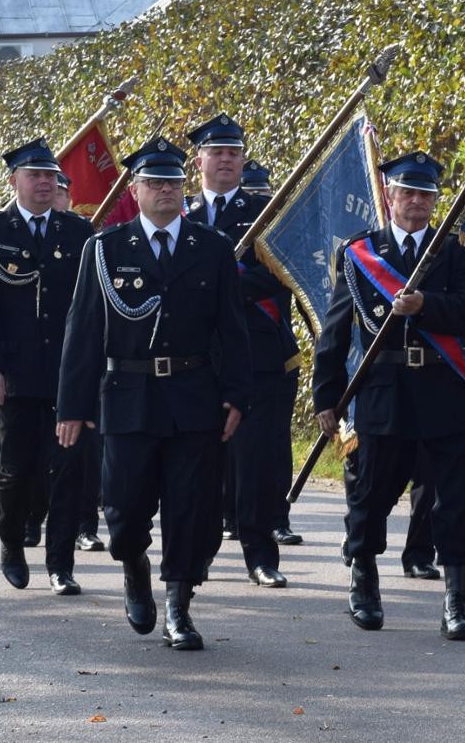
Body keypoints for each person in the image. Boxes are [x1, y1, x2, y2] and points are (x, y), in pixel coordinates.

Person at [56, 137, 250, 650]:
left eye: (174, 183)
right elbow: (83, 331)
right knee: (122, 509)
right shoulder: (105, 249)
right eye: (155, 183)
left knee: (191, 508)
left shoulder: (210, 248)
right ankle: (135, 567)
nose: (166, 191)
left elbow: (232, 330)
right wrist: (72, 405)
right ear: (136, 190)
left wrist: (236, 395)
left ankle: (179, 607)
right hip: (127, 396)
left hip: (193, 398)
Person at [313, 152, 465, 641]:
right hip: (383, 392)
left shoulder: (454, 254)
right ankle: (364, 581)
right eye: (407, 193)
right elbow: (335, 332)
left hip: (444, 392)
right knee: (371, 494)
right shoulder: (360, 254)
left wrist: (426, 306)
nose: (417, 203)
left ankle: (457, 601)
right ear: (389, 197)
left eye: (426, 195)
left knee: (454, 500)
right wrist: (326, 396)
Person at [0, 139, 96, 594]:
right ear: (14, 181)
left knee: (67, 470)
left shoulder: (78, 232)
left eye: (50, 177)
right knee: (17, 468)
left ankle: (61, 564)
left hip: (67, 376)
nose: (44, 183)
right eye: (34, 176)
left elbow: (90, 309)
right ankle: (12, 543)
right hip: (15, 374)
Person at [182, 114, 299, 586]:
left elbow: (278, 275)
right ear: (200, 160)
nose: (226, 160)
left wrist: (215, 284)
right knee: (199, 462)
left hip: (259, 354)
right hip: (198, 357)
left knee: (256, 462)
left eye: (233, 152)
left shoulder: (267, 213)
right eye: (217, 152)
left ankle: (260, 555)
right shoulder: (180, 214)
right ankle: (199, 552)